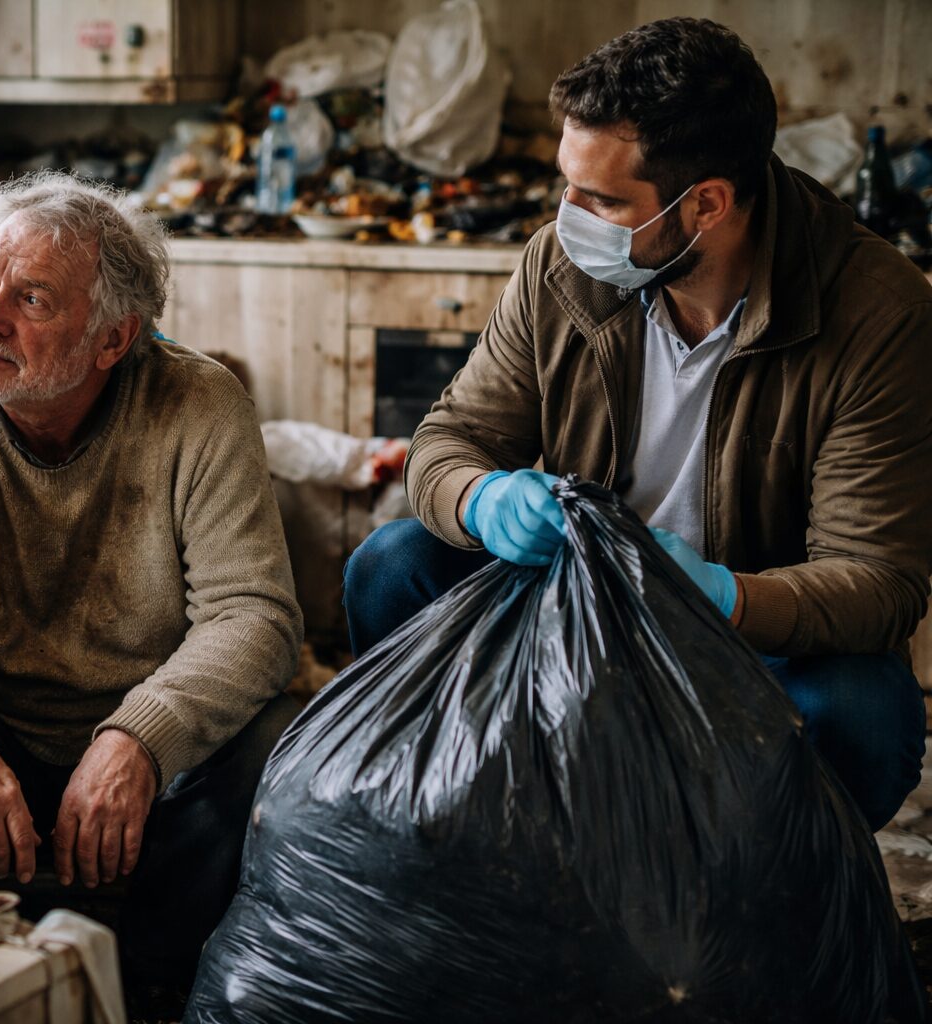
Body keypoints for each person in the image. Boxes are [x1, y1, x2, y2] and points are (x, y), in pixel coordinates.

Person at [344, 18, 932, 832]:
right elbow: (451, 440)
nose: (567, 215)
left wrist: (721, 596)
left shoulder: (879, 313)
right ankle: (464, 832)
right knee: (394, 565)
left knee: (864, 709)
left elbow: (878, 580)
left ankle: (769, 893)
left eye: (602, 199)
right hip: (575, 597)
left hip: (749, 636)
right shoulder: (559, 265)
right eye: (566, 184)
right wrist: (483, 498)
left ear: (708, 205)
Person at [0, 171, 303, 991]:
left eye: (32, 301)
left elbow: (256, 614)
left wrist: (139, 737)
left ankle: (150, 986)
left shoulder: (200, 404)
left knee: (275, 746)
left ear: (113, 340)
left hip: (147, 742)